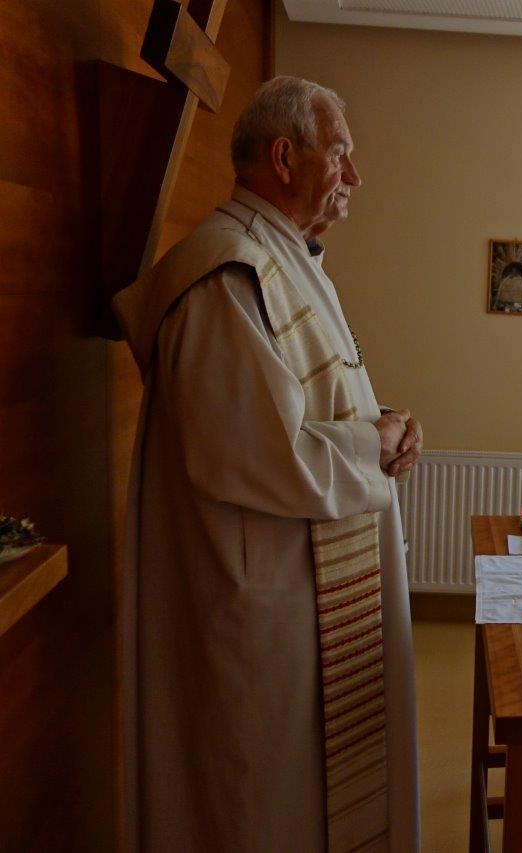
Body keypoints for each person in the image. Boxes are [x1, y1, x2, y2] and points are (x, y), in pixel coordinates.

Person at [113, 77, 421, 851]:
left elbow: (308, 408)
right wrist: (373, 445)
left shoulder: (285, 260)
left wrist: (385, 427)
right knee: (262, 805)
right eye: (341, 154)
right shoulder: (227, 274)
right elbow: (259, 453)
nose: (355, 177)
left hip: (301, 586)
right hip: (265, 608)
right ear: (285, 158)